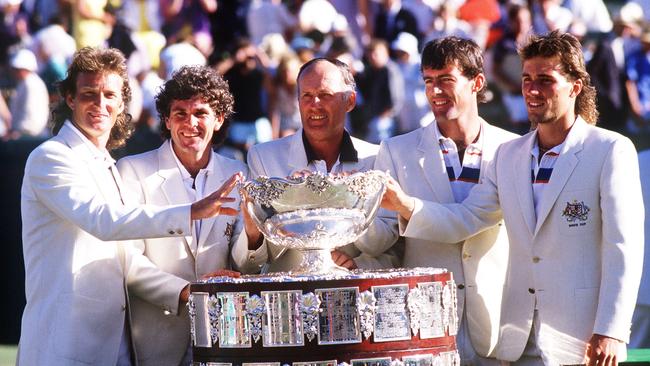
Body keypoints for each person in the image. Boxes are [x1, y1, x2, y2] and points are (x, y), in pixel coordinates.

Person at [380, 30, 644, 365]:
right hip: (516, 341)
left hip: (585, 341)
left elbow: (624, 248)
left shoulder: (611, 150)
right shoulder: (508, 155)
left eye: (546, 80)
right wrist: (404, 204)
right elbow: (465, 219)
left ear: (575, 87)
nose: (533, 90)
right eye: (527, 79)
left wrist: (612, 330)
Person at [19, 47, 241, 366]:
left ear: (122, 102)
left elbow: (124, 255)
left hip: (117, 347)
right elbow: (105, 222)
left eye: (109, 94)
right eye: (88, 94)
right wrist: (192, 212)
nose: (100, 104)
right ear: (69, 99)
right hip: (64, 346)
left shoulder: (106, 163)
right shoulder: (50, 157)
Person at [373, 36, 517, 365]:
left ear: (477, 82)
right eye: (428, 81)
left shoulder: (514, 150)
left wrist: (406, 205)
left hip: (499, 330)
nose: (435, 92)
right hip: (424, 328)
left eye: (446, 80)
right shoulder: (396, 150)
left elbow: (472, 221)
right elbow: (383, 237)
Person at [116, 65, 266, 366]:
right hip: (153, 342)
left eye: (200, 113)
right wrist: (187, 292)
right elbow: (127, 262)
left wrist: (252, 235)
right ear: (167, 120)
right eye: (180, 113)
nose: (190, 123)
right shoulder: (132, 171)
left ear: (219, 119)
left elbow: (245, 263)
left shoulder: (238, 173)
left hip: (222, 342)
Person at [246, 57, 398, 272]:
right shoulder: (263, 156)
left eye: (325, 95)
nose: (314, 104)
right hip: (291, 295)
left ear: (350, 101)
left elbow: (384, 243)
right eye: (306, 96)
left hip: (354, 293)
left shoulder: (377, 157)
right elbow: (264, 252)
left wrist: (346, 198)